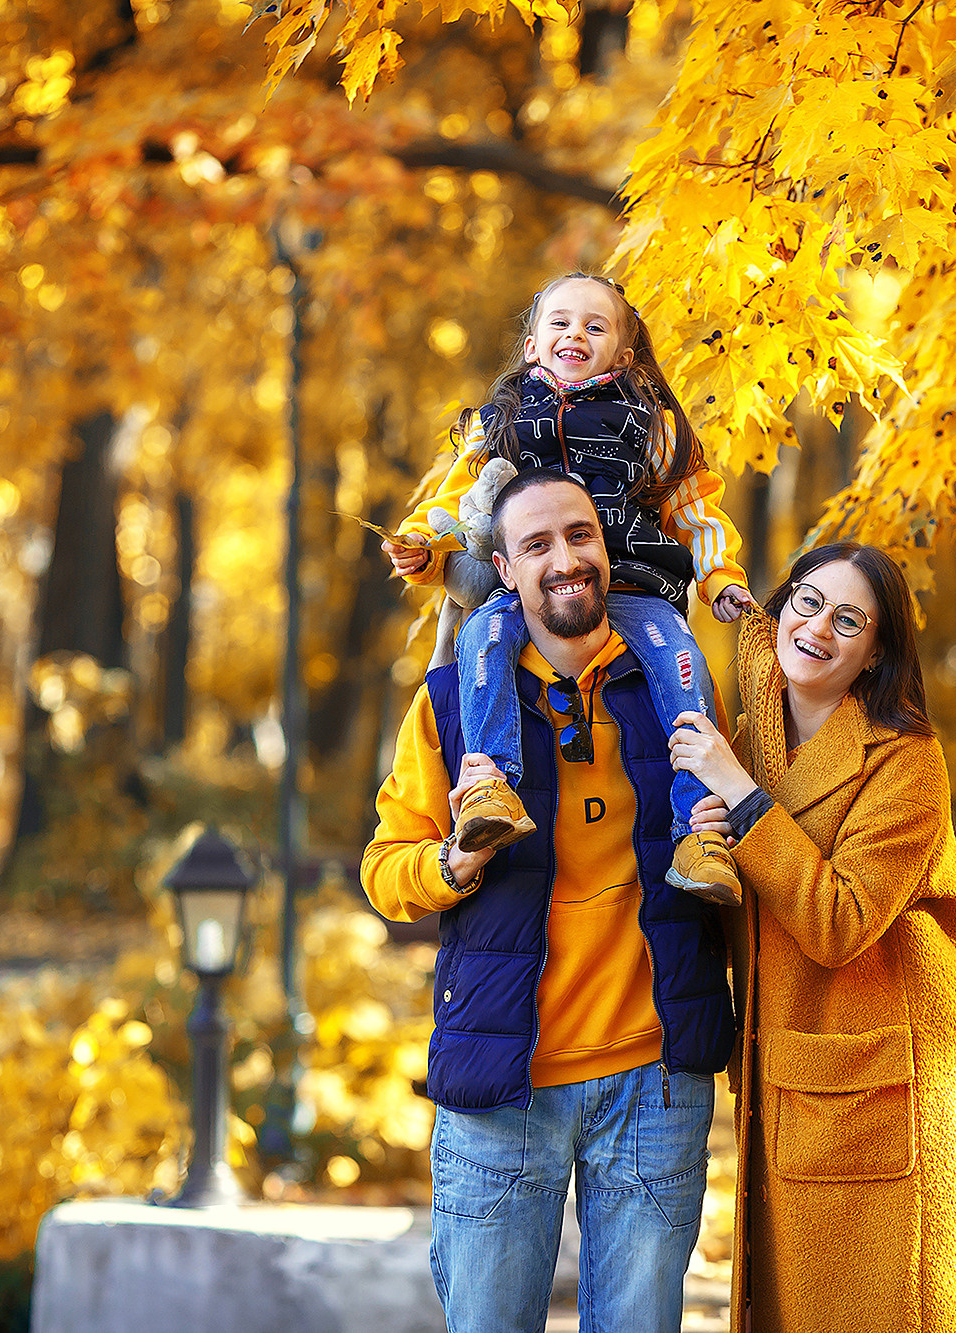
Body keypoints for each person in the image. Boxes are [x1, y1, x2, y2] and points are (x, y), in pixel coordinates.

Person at [362, 471, 734, 1333]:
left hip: (655, 1083)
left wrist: (727, 821)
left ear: (606, 547)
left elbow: (740, 828)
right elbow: (385, 870)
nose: (565, 559)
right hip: (503, 1092)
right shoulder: (455, 703)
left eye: (579, 535)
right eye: (537, 545)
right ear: (503, 567)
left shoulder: (675, 679)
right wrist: (454, 861)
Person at [667, 542, 956, 1333]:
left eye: (849, 618)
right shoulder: (750, 744)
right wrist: (708, 837)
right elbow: (747, 904)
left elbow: (838, 921)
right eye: (807, 602)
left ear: (876, 648)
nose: (819, 627)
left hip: (886, 1083)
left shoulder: (908, 762)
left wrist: (741, 803)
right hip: (795, 1077)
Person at [381, 271, 756, 906]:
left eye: (595, 325)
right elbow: (457, 501)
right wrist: (422, 544)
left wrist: (719, 575)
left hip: (636, 583)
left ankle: (699, 832)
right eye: (559, 323)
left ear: (625, 354)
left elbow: (696, 508)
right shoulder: (500, 422)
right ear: (531, 344)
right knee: (482, 640)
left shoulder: (654, 425)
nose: (575, 334)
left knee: (680, 665)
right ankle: (490, 787)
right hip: (528, 598)